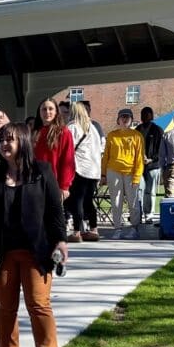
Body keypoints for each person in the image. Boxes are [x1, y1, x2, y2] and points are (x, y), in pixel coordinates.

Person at [0, 122, 67, 347]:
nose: (5, 144)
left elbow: (54, 212)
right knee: (6, 306)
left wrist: (60, 241)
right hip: (2, 252)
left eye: (11, 139)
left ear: (23, 142)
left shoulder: (42, 171)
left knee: (39, 305)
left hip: (37, 251)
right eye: (2, 139)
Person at [101, 109, 145, 239]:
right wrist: (103, 174)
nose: (125, 119)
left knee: (133, 202)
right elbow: (106, 156)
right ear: (118, 120)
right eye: (122, 117)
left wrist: (137, 176)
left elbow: (139, 158)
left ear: (132, 120)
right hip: (113, 170)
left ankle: (134, 227)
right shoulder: (112, 135)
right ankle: (117, 228)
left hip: (131, 172)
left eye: (128, 117)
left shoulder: (137, 136)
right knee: (116, 201)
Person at [66, 101, 103, 242]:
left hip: (79, 168)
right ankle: (94, 229)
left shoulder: (72, 127)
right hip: (93, 170)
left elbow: (68, 148)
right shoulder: (92, 128)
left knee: (77, 200)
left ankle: (77, 231)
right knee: (89, 200)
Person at [33, 98, 76, 198]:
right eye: (44, 109)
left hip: (53, 182)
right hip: (34, 181)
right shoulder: (33, 132)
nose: (47, 112)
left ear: (56, 112)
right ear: (39, 112)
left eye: (50, 109)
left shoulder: (63, 133)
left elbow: (67, 160)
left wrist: (64, 186)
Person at [136, 107, 164, 223]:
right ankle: (138, 213)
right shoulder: (137, 130)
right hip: (139, 165)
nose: (146, 116)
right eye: (144, 114)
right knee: (139, 190)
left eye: (148, 114)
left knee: (150, 191)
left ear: (151, 116)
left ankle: (149, 214)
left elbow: (161, 149)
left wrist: (151, 159)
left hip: (153, 165)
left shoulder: (157, 130)